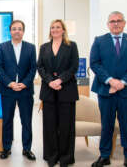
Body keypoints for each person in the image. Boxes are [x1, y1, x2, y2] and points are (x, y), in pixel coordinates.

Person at [90, 11, 127, 167]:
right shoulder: (99, 41)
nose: (116, 23)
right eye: (112, 21)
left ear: (124, 23)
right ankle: (104, 155)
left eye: (119, 21)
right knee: (107, 124)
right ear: (108, 24)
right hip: (106, 90)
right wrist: (111, 81)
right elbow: (95, 63)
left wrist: (123, 82)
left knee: (126, 124)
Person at [37, 19, 79, 167]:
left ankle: (66, 157)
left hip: (66, 90)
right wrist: (50, 81)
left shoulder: (71, 46)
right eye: (52, 27)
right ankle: (51, 156)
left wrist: (60, 80)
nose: (55, 29)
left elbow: (74, 67)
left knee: (66, 125)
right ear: (50, 30)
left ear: (63, 30)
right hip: (49, 90)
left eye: (58, 27)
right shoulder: (44, 47)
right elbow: (40, 67)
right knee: (49, 125)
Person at [0, 20, 37, 160]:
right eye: (14, 29)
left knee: (26, 121)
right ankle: (6, 148)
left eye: (20, 29)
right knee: (7, 120)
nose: (17, 31)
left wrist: (24, 83)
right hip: (8, 90)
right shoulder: (2, 47)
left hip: (25, 91)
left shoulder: (31, 48)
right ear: (10, 31)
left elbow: (33, 68)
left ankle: (27, 149)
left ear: (23, 31)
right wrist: (10, 83)